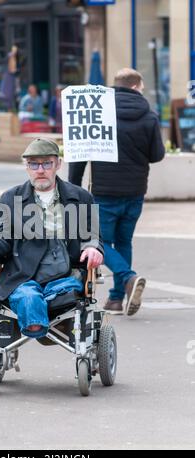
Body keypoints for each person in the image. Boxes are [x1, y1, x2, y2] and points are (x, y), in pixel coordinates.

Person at [0, 138, 104, 338]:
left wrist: (92, 248)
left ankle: (40, 319)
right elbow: (3, 237)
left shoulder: (81, 197)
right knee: (28, 295)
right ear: (26, 167)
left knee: (63, 292)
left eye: (46, 163)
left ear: (58, 164)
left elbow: (92, 235)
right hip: (23, 274)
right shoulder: (11, 198)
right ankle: (41, 328)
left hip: (67, 274)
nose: (40, 170)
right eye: (34, 164)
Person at [69, 68, 165, 316]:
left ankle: (127, 278)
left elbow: (81, 152)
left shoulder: (98, 113)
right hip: (135, 191)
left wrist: (74, 186)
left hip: (104, 191)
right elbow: (157, 156)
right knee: (123, 241)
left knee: (98, 242)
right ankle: (115, 299)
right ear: (135, 87)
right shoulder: (149, 116)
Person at [0, 45, 19, 111]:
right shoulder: (11, 57)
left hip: (10, 79)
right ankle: (9, 110)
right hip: (8, 79)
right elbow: (12, 69)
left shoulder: (13, 57)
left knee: (11, 96)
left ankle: (10, 109)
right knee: (8, 96)